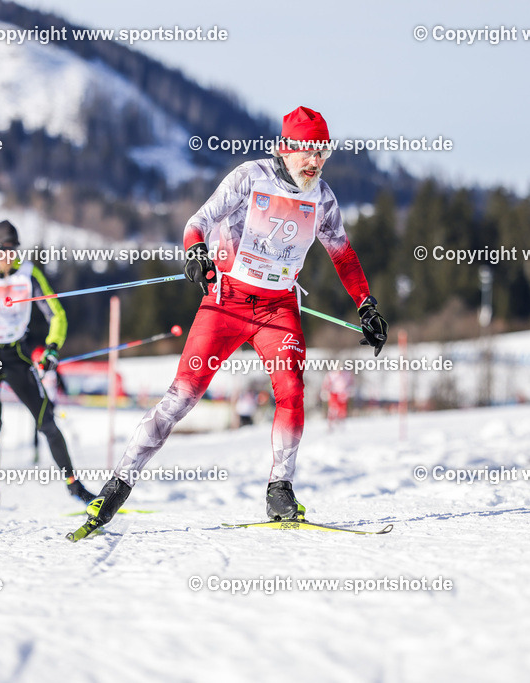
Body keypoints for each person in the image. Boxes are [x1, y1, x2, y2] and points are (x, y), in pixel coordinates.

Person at [69, 106, 388, 540]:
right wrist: (196, 252)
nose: (316, 162)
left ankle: (280, 490)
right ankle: (117, 486)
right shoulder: (249, 178)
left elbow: (343, 255)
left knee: (292, 391)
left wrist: (366, 305)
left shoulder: (323, 198)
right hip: (226, 303)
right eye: (308, 152)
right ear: (284, 148)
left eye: (323, 153)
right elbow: (197, 222)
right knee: (182, 398)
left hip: (278, 309)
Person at [0, 221, 94, 517]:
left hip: (16, 353)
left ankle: (75, 487)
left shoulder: (29, 274)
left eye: (13, 251)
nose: (8, 257)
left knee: (47, 420)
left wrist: (52, 348)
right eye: (2, 251)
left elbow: (56, 314)